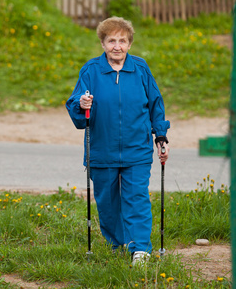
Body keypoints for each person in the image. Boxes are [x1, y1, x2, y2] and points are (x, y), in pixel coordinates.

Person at [66, 17, 170, 266]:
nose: (117, 46)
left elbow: (156, 104)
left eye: (122, 41)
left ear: (129, 44)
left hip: (137, 149)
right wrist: (82, 104)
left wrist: (161, 136)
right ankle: (117, 245)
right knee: (108, 202)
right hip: (102, 149)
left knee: (137, 198)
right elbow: (75, 104)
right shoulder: (91, 71)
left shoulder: (141, 69)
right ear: (102, 43)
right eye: (111, 40)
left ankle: (141, 249)